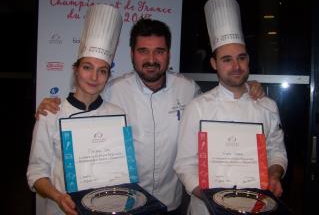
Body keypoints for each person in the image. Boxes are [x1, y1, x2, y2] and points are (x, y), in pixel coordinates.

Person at [35, 18, 265, 214]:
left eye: (159, 51)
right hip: (126, 202)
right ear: (132, 54)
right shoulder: (112, 90)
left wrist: (247, 88)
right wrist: (50, 104)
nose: (151, 59)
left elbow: (220, 107)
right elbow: (82, 100)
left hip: (172, 202)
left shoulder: (188, 90)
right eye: (143, 51)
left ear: (168, 54)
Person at [174, 0, 288, 214]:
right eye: (227, 59)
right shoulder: (197, 107)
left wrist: (274, 176)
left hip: (255, 205)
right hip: (206, 209)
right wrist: (212, 199)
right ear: (214, 63)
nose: (236, 66)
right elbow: (185, 165)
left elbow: (276, 151)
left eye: (242, 57)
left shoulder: (268, 106)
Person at [27, 4, 123, 215]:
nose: (94, 77)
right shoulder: (51, 113)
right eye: (87, 67)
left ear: (108, 76)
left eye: (102, 71)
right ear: (76, 69)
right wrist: (59, 197)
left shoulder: (117, 115)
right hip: (60, 209)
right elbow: (36, 173)